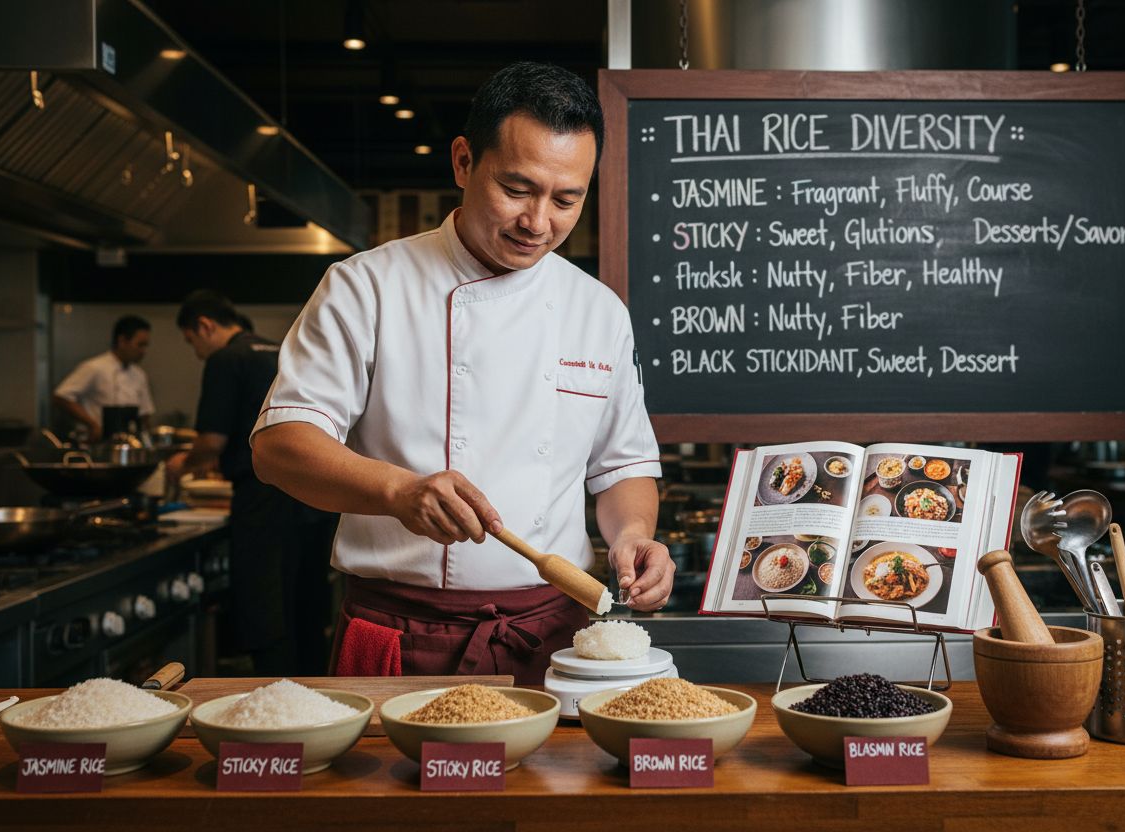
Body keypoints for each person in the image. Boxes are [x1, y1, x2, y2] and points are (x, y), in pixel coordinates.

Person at [251, 62, 673, 684]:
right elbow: (280, 447)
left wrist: (634, 534)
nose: (538, 222)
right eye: (517, 189)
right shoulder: (367, 286)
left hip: (552, 638)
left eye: (566, 199)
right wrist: (398, 493)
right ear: (462, 162)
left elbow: (622, 467)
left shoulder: (597, 311)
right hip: (398, 631)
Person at [167, 291, 337, 675]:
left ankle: (275, 706)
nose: (196, 351)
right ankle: (317, 705)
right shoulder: (279, 350)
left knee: (267, 610)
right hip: (313, 497)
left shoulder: (225, 359)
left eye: (192, 341)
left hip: (263, 500)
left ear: (204, 326)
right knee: (306, 609)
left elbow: (212, 441)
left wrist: (183, 463)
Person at [53, 315, 154, 440]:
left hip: (128, 442)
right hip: (95, 442)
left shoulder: (139, 374)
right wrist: (92, 425)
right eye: (140, 345)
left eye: (146, 346)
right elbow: (62, 396)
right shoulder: (94, 367)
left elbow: (145, 414)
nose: (143, 351)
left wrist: (148, 440)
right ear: (122, 341)